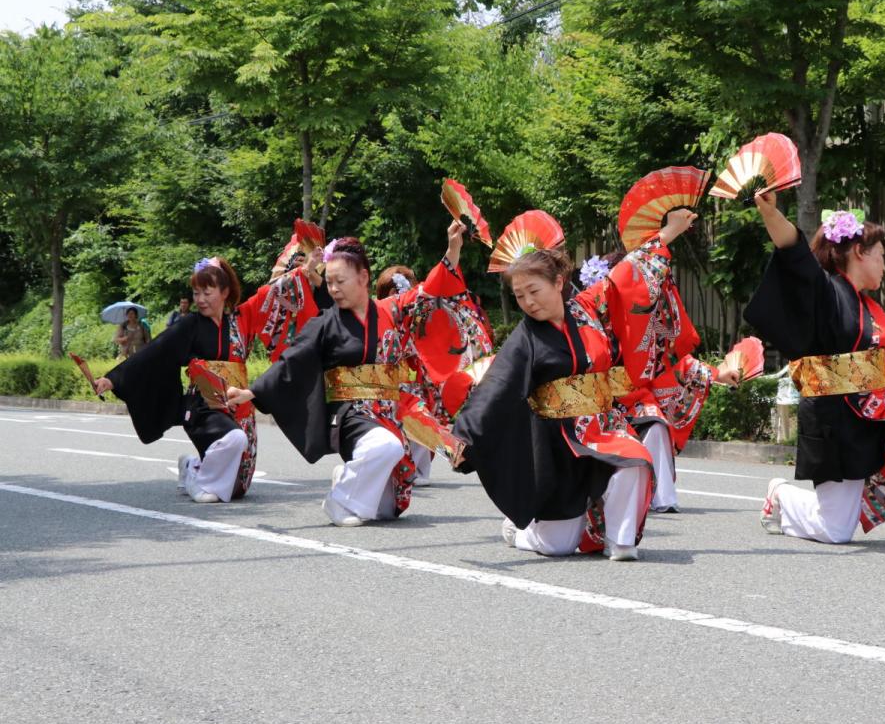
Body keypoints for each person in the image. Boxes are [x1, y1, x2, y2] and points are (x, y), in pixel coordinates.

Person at [452, 209, 703, 561]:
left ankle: (620, 540)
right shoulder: (525, 337)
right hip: (557, 442)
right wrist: (464, 434)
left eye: (534, 291)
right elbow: (496, 385)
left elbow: (628, 273)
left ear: (558, 281)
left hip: (603, 425)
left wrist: (669, 232)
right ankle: (521, 530)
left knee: (636, 459)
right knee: (557, 546)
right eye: (520, 295)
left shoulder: (588, 307)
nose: (528, 302)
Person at [743, 195, 885, 549]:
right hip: (838, 420)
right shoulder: (826, 292)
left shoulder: (874, 311)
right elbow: (794, 253)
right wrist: (770, 212)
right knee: (834, 531)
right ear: (859, 253)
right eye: (881, 256)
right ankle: (781, 495)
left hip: (880, 415)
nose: (884, 266)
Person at [227, 226, 469, 527]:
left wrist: (453, 249)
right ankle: (340, 503)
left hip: (388, 411)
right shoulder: (326, 322)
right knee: (386, 446)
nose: (333, 289)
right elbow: (295, 357)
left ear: (363, 278)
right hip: (348, 413)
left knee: (390, 505)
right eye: (328, 282)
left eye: (340, 281)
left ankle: (348, 478)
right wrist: (253, 391)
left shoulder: (391, 310)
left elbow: (430, 289)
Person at [94, 257, 314, 503]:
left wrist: (305, 270)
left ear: (225, 292)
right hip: (204, 406)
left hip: (239, 405)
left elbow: (271, 292)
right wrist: (113, 378)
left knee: (238, 487)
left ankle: (193, 465)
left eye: (207, 293)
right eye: (196, 293)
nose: (200, 299)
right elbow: (155, 350)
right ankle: (199, 481)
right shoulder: (191, 324)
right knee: (232, 443)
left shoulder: (243, 317)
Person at [578, 252, 740, 514]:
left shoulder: (645, 326)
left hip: (636, 400)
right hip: (599, 402)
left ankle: (661, 495)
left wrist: (715, 373)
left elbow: (669, 362)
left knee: (656, 425)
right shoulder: (587, 318)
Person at [374, 259, 495, 488]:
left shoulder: (412, 309)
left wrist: (453, 252)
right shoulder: (378, 311)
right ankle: (402, 470)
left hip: (412, 380)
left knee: (421, 421)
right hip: (385, 383)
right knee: (400, 428)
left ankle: (419, 469)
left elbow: (431, 290)